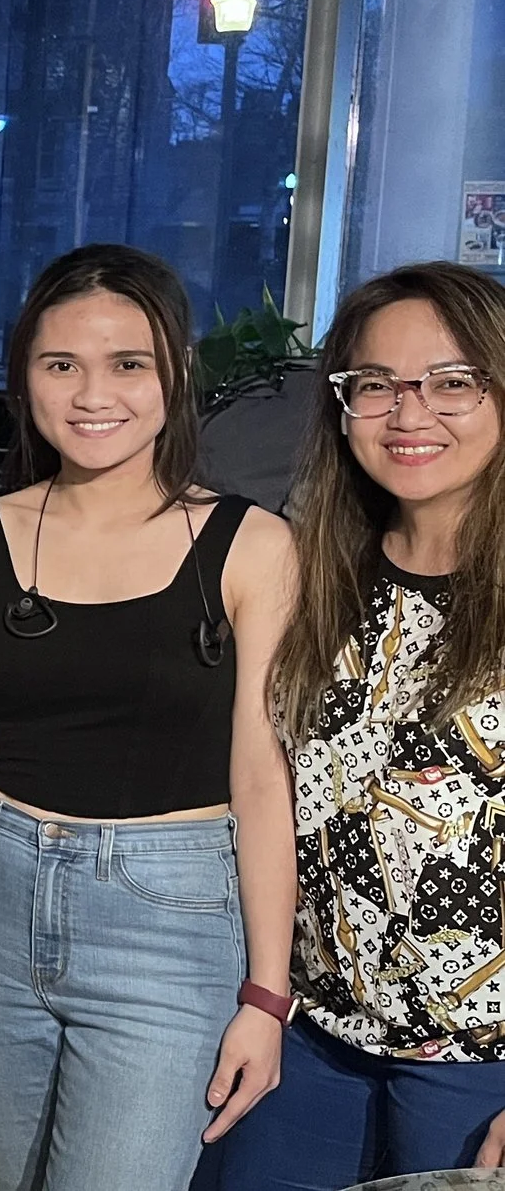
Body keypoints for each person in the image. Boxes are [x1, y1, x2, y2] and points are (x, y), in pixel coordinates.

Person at [0, 245, 297, 1191]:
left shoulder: (252, 546)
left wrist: (266, 996)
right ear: (24, 372)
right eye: (59, 363)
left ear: (175, 377)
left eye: (128, 364)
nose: (90, 393)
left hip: (171, 912)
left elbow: (260, 777)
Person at [191, 263, 505, 1188]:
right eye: (376, 385)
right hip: (308, 1030)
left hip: (479, 1062)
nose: (410, 415)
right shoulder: (313, 573)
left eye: (453, 382)